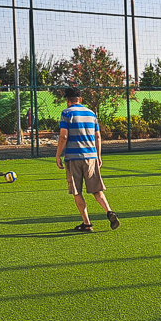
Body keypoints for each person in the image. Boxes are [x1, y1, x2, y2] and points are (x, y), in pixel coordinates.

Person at [55, 87, 120, 232]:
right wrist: (98, 156)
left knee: (77, 191)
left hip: (73, 158)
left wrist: (58, 154)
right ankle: (109, 211)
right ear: (80, 99)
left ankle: (87, 223)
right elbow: (97, 136)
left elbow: (63, 136)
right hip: (91, 156)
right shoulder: (91, 113)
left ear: (67, 100)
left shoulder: (66, 113)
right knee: (97, 190)